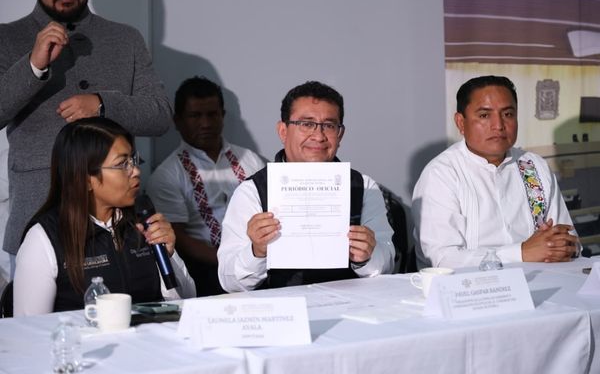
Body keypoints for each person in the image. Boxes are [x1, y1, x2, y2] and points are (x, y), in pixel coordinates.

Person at [0, 0, 172, 271]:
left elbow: (160, 115)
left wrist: (103, 104)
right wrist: (33, 66)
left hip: (118, 228)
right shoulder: (7, 38)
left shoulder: (125, 39)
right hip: (36, 221)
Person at [217, 81, 395, 292]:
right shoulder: (252, 191)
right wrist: (257, 251)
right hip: (279, 308)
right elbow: (229, 282)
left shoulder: (363, 187)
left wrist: (367, 257)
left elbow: (386, 266)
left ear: (340, 135)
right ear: (283, 131)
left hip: (350, 305)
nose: (318, 136)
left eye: (329, 125)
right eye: (306, 124)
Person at [13, 118, 195, 316]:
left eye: (133, 160)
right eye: (122, 164)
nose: (135, 171)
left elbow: (186, 300)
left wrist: (169, 255)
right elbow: (29, 326)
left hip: (148, 334)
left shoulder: (142, 223)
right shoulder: (44, 238)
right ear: (84, 178)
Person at [412, 75, 579, 269]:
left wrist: (564, 246)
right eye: (484, 115)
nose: (498, 125)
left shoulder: (532, 166)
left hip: (542, 277)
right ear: (460, 122)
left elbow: (569, 240)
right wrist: (522, 253)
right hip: (471, 285)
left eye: (507, 114)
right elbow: (443, 259)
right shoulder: (442, 174)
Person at [147, 77, 265, 296]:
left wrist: (253, 257)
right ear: (178, 121)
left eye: (212, 114)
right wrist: (228, 262)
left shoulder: (250, 159)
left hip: (259, 261)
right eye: (195, 116)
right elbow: (177, 237)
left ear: (223, 115)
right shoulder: (167, 175)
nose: (206, 124)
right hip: (206, 270)